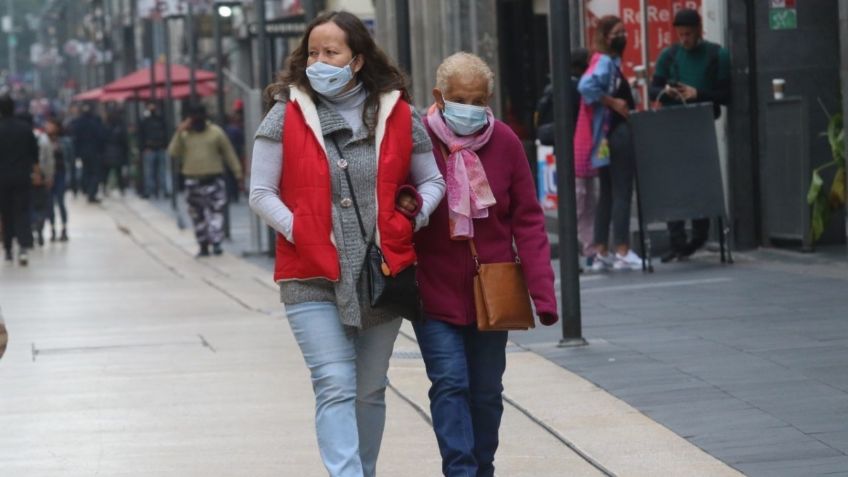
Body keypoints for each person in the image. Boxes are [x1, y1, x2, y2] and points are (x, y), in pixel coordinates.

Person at [248, 11, 445, 477]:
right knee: (335, 382)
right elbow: (260, 194)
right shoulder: (286, 113)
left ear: (356, 60)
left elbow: (432, 181)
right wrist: (305, 231)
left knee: (369, 388)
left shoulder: (398, 113)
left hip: (381, 271)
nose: (319, 61)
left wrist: (408, 219)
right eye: (313, 52)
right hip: (310, 274)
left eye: (331, 52)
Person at [412, 52, 558, 477]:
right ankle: (460, 471)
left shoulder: (506, 142)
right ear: (439, 96)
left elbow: (528, 220)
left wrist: (542, 295)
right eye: (460, 98)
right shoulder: (417, 139)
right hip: (433, 291)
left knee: (487, 392)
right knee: (450, 383)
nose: (470, 109)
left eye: (479, 100)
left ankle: (483, 467)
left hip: (492, 291)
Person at [649, 8, 731, 263]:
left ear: (698, 30)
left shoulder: (717, 54)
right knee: (675, 183)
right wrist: (669, 92)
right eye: (680, 34)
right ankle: (677, 241)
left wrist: (698, 94)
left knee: (700, 181)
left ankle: (698, 236)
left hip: (702, 124)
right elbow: (654, 89)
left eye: (688, 34)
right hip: (674, 125)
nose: (684, 39)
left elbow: (726, 94)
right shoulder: (670, 55)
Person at [577, 15, 642, 271]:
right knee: (622, 190)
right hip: (615, 133)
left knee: (607, 192)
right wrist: (613, 102)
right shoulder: (604, 61)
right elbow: (586, 86)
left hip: (604, 137)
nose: (623, 36)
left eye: (624, 31)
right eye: (618, 32)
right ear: (606, 37)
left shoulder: (606, 61)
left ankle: (602, 249)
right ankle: (623, 249)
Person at [168, 103, 243, 257]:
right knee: (197, 216)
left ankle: (216, 242)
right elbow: (173, 152)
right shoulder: (185, 134)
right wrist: (179, 132)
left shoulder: (216, 132)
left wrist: (238, 173)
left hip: (213, 179)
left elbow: (229, 153)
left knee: (216, 213)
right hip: (192, 180)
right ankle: (203, 244)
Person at [0, 95, 39, 265]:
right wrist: (37, 173)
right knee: (21, 212)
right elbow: (34, 154)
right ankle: (23, 247)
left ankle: (8, 249)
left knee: (6, 213)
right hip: (22, 177)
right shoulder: (25, 128)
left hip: (2, 179)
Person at [71, 103, 106, 204]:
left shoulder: (78, 122)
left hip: (83, 152)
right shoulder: (95, 122)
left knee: (86, 172)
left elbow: (75, 139)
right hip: (94, 152)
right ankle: (91, 193)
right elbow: (101, 136)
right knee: (94, 173)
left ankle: (86, 190)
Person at [139, 102, 171, 199]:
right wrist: (144, 148)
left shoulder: (160, 119)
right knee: (150, 172)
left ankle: (163, 190)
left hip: (159, 148)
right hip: (151, 149)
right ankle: (151, 191)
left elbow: (165, 133)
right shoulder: (146, 120)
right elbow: (142, 135)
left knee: (160, 171)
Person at [45, 118, 70, 242]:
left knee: (60, 202)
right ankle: (53, 229)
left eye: (50, 125)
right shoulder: (44, 141)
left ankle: (64, 228)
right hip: (49, 176)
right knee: (49, 203)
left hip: (61, 174)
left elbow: (70, 159)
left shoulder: (64, 142)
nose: (47, 127)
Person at [102, 110, 129, 196]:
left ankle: (105, 188)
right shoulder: (120, 127)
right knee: (118, 173)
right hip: (118, 153)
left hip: (107, 153)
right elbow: (124, 142)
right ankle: (121, 189)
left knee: (107, 173)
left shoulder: (105, 127)